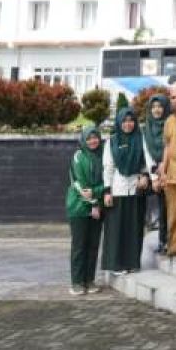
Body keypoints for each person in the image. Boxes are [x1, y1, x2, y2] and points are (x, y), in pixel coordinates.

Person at [101, 106, 149, 274]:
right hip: (118, 190)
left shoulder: (140, 139)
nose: (128, 124)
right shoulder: (112, 141)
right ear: (119, 123)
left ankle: (132, 262)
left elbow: (146, 161)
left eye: (131, 121)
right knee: (116, 229)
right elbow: (108, 167)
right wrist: (107, 191)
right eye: (124, 121)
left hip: (136, 189)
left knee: (134, 228)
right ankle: (116, 264)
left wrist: (145, 176)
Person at [66, 126, 105, 294]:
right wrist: (94, 204)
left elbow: (107, 182)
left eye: (95, 137)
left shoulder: (104, 156)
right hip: (79, 208)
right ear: (83, 140)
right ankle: (76, 282)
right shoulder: (78, 156)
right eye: (89, 138)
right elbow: (81, 186)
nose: (93, 141)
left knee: (93, 245)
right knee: (79, 246)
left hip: (97, 207)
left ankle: (89, 280)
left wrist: (97, 199)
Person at [157, 82, 176, 258]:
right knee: (173, 214)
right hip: (171, 175)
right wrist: (163, 171)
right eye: (173, 97)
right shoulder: (169, 121)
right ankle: (174, 245)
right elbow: (167, 147)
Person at [141, 93, 170, 253]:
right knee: (162, 206)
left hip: (170, 171)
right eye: (154, 107)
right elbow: (147, 153)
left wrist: (164, 169)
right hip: (155, 174)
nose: (157, 110)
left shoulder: (170, 123)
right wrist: (154, 178)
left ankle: (173, 241)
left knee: (171, 208)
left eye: (160, 106)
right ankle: (163, 240)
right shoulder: (146, 129)